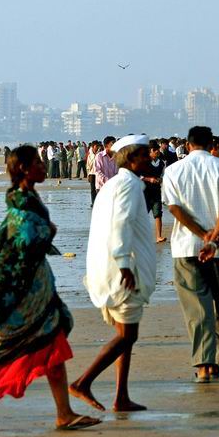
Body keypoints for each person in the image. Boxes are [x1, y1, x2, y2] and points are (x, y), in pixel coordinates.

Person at [0, 146, 101, 432]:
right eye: (37, 163)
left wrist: (45, 230)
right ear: (23, 169)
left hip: (35, 291)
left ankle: (64, 413)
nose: (44, 167)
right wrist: (48, 231)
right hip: (19, 294)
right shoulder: (21, 201)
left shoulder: (28, 198)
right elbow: (24, 241)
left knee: (52, 342)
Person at [72, 134, 157, 413]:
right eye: (145, 155)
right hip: (123, 271)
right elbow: (118, 226)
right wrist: (123, 264)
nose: (151, 158)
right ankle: (83, 382)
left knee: (126, 335)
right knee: (128, 336)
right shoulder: (128, 187)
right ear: (132, 159)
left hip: (113, 268)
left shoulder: (118, 184)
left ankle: (121, 396)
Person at [162, 126, 219, 383]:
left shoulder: (173, 170)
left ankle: (204, 363)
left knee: (196, 308)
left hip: (185, 247)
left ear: (188, 144)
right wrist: (214, 236)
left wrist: (201, 234)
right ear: (211, 143)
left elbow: (174, 208)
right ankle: (213, 359)